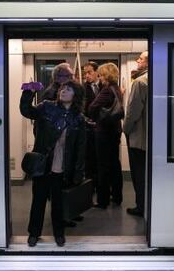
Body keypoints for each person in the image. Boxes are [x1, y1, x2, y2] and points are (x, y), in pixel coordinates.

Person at [20, 80, 86, 248]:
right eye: (63, 88)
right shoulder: (47, 107)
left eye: (69, 89)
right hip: (43, 164)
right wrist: (28, 93)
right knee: (38, 201)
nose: (64, 90)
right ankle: (34, 233)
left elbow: (80, 148)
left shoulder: (78, 118)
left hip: (62, 167)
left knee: (58, 203)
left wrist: (78, 172)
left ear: (75, 95)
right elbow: (27, 111)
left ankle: (59, 234)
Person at [88, 63, 124, 209]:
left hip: (104, 131)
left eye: (102, 75)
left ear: (107, 76)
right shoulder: (117, 89)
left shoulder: (107, 90)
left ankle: (103, 200)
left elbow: (92, 107)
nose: (101, 78)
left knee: (102, 165)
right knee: (115, 164)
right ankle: (117, 196)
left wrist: (95, 118)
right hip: (115, 130)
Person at [123, 51, 148, 217]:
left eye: (141, 58)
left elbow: (133, 111)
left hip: (139, 136)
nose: (138, 60)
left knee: (138, 174)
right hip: (152, 137)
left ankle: (141, 206)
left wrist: (125, 128)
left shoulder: (140, 82)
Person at [83, 62, 102, 189]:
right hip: (89, 128)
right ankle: (91, 187)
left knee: (101, 159)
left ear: (97, 72)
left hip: (102, 128)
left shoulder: (105, 86)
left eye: (89, 72)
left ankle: (102, 186)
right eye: (85, 73)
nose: (87, 75)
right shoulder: (83, 88)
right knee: (89, 159)